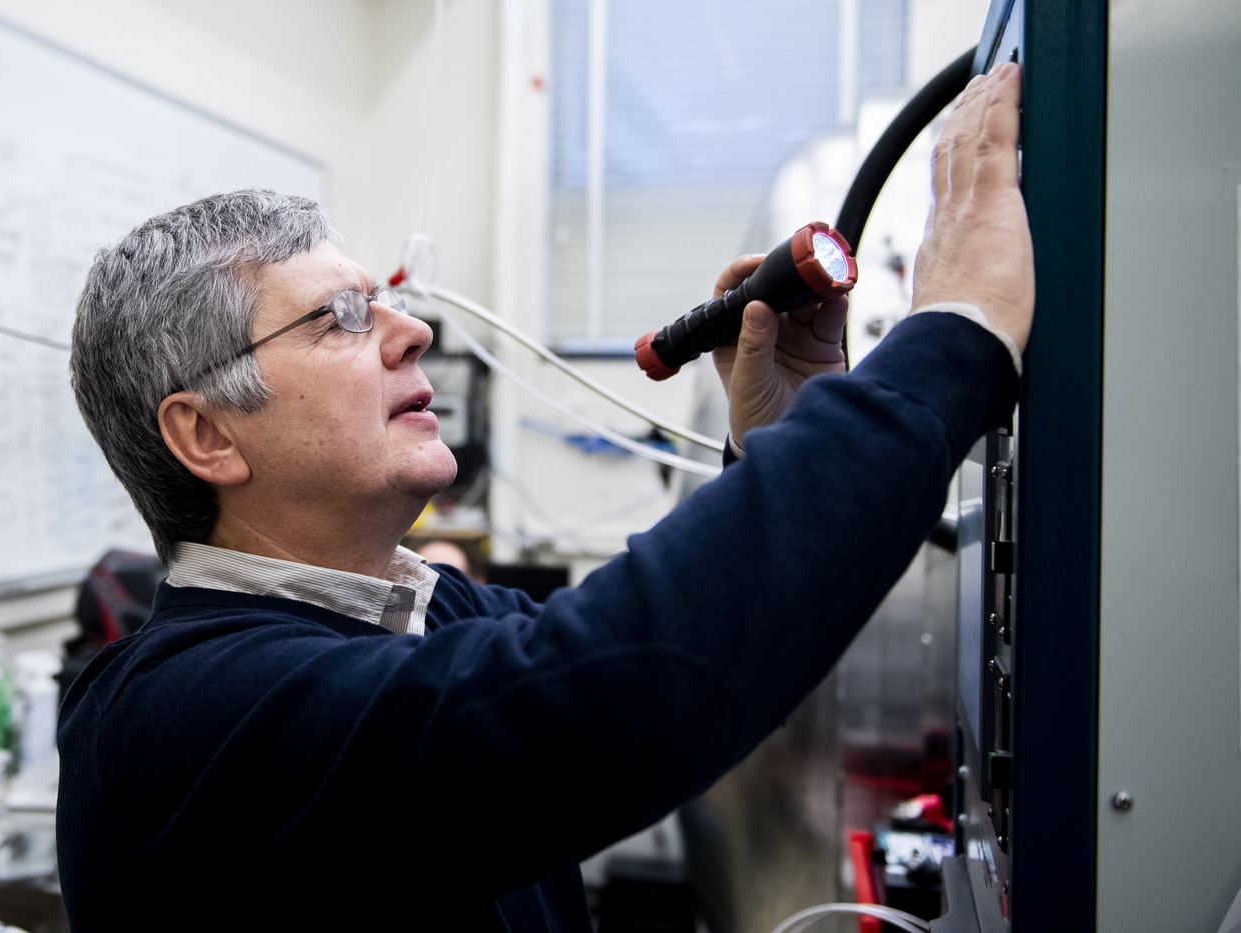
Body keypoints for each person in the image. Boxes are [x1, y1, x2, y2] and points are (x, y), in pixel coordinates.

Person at [58, 63, 1031, 931]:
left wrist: (773, 444)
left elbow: (673, 655)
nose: (413, 333)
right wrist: (950, 337)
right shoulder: (173, 719)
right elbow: (614, 695)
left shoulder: (418, 612)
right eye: (341, 318)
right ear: (207, 434)